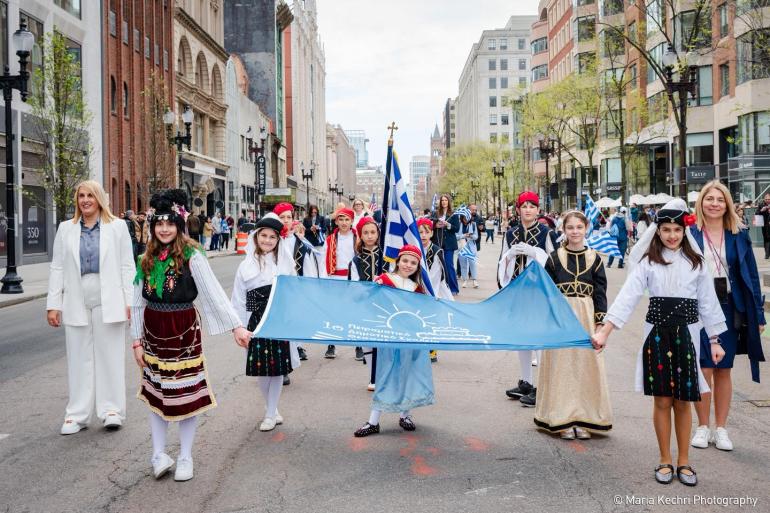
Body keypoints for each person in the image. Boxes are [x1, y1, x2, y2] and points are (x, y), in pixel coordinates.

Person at [592, 198, 726, 487]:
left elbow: (708, 302)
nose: (672, 235)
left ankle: (684, 461)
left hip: (687, 336)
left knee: (684, 400)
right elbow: (628, 297)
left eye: (677, 230)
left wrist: (715, 340)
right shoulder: (648, 262)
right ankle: (665, 458)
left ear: (684, 231)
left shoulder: (697, 263)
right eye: (666, 230)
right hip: (656, 334)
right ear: (658, 231)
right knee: (663, 399)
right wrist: (605, 331)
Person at [130, 189, 249, 481]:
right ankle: (158, 454)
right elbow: (137, 302)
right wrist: (136, 340)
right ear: (153, 226)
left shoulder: (192, 255)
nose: (164, 229)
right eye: (159, 224)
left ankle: (185, 456)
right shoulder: (145, 258)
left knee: (185, 394)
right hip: (153, 330)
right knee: (156, 393)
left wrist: (236, 325)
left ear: (179, 225)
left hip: (182, 329)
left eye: (170, 224)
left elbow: (213, 293)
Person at [47, 180, 136, 436]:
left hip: (109, 297)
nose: (85, 200)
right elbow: (57, 267)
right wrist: (54, 304)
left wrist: (130, 301)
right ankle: (77, 415)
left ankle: (112, 411)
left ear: (99, 199)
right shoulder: (66, 229)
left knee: (110, 356)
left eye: (90, 195)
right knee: (78, 358)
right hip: (76, 297)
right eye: (81, 196)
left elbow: (127, 266)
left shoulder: (117, 227)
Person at [689, 180, 765, 452]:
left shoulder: (738, 234)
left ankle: (721, 429)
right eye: (709, 199)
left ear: (727, 204)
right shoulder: (690, 234)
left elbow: (751, 275)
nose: (714, 204)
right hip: (698, 308)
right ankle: (702, 426)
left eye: (720, 200)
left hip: (730, 306)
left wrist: (758, 315)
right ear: (701, 203)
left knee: (724, 368)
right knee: (704, 367)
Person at [536, 211, 612, 440]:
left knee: (585, 366)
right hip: (562, 316)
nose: (575, 231)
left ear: (586, 228)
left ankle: (585, 418)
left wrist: (599, 323)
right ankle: (563, 419)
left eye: (579, 227)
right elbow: (547, 291)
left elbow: (600, 292)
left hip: (586, 317)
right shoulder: (554, 258)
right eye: (570, 227)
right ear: (563, 229)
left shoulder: (595, 259)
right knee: (562, 367)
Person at [353, 245, 435, 437]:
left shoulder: (417, 288)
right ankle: (373, 421)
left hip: (410, 339)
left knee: (409, 375)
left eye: (413, 263)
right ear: (398, 261)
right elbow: (368, 301)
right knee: (385, 376)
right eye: (405, 260)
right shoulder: (384, 280)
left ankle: (405, 415)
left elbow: (422, 313)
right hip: (390, 338)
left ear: (417, 267)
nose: (408, 265)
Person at [231, 213, 301, 432]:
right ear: (256, 237)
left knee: (277, 369)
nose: (268, 240)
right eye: (264, 236)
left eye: (272, 237)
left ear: (278, 240)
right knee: (261, 368)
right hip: (256, 321)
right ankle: (271, 408)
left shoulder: (285, 263)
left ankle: (270, 413)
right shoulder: (245, 266)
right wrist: (238, 327)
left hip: (278, 320)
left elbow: (294, 293)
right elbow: (238, 299)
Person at [498, 191, 557, 406]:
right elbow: (502, 260)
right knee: (521, 337)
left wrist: (535, 253)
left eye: (532, 206)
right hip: (517, 290)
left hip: (538, 291)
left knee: (538, 337)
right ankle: (526, 382)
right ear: (518, 209)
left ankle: (543, 387)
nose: (528, 210)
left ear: (538, 210)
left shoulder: (547, 233)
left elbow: (556, 262)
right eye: (524, 206)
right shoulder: (510, 234)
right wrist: (509, 256)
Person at [349, 216, 384, 388]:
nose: (370, 236)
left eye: (373, 232)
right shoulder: (355, 261)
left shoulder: (387, 257)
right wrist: (368, 291)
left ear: (378, 234)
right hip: (365, 305)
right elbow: (354, 286)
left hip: (384, 305)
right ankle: (373, 377)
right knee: (367, 342)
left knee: (383, 342)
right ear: (360, 235)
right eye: (366, 233)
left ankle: (383, 376)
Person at [320, 207, 357, 358]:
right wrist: (324, 280)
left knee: (354, 312)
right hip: (334, 278)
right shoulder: (330, 239)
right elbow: (323, 259)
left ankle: (358, 345)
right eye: (341, 219)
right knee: (332, 312)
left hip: (352, 279)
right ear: (336, 221)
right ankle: (331, 344)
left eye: (347, 219)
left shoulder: (358, 238)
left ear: (352, 221)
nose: (344, 222)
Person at [418, 218, 453, 364]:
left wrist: (433, 292)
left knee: (432, 319)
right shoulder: (415, 248)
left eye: (426, 232)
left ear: (432, 233)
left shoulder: (437, 251)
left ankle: (432, 349)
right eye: (420, 232)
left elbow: (439, 274)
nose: (423, 235)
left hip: (434, 289)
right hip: (417, 289)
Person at [432, 194, 461, 295]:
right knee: (437, 266)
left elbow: (456, 228)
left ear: (449, 202)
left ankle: (453, 288)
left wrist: (448, 225)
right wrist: (436, 225)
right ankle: (439, 288)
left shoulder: (453, 214)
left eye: (446, 200)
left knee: (449, 265)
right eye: (442, 200)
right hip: (437, 242)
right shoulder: (436, 213)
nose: (444, 202)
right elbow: (430, 223)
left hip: (449, 244)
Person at [458, 210, 479, 289]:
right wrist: (463, 235)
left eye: (467, 218)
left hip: (471, 247)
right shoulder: (459, 225)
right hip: (462, 247)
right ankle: (465, 280)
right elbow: (456, 236)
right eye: (464, 218)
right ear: (462, 218)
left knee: (472, 263)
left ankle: (474, 280)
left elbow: (476, 236)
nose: (466, 220)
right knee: (463, 264)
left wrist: (471, 236)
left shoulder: (473, 224)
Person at [759, 193, 770, 259]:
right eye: (766, 199)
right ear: (764, 199)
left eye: (769, 199)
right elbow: (757, 213)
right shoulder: (761, 204)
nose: (768, 200)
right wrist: (761, 210)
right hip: (765, 225)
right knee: (766, 238)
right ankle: (767, 253)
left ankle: (767, 253)